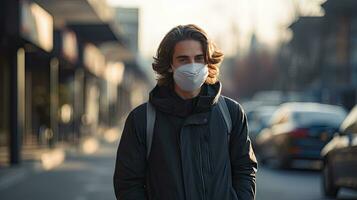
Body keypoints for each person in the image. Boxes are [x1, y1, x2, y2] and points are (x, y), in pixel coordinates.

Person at [113, 24, 258, 200]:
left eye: (199, 58)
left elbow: (245, 169)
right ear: (169, 65)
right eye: (183, 59)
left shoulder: (231, 114)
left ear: (208, 62)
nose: (192, 66)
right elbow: (128, 183)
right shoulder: (142, 119)